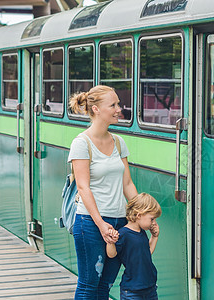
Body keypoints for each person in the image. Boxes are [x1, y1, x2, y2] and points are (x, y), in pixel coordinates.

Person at [68, 85, 138, 299]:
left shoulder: (119, 142)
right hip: (90, 222)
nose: (119, 109)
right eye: (113, 105)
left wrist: (141, 214)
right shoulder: (81, 143)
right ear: (96, 109)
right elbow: (83, 187)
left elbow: (127, 183)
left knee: (105, 285)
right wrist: (100, 224)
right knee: (89, 284)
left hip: (118, 222)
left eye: (118, 104)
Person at [106, 192, 162, 300]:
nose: (154, 223)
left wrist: (155, 237)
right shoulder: (123, 234)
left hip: (150, 288)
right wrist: (111, 242)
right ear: (139, 215)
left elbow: (147, 252)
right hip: (132, 291)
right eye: (152, 219)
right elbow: (111, 254)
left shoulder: (142, 232)